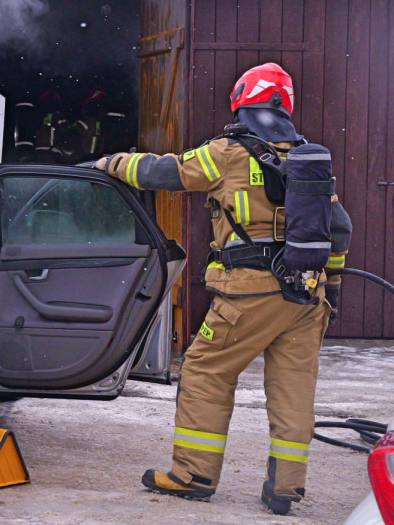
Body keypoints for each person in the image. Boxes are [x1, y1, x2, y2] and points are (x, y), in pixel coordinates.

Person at [95, 62, 352, 516]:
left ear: (242, 101)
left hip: (249, 293)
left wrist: (112, 163)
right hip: (306, 297)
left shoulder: (229, 152)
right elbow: (340, 228)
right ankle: (286, 488)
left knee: (205, 373)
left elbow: (165, 173)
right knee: (294, 389)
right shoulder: (308, 158)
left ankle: (192, 474)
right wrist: (328, 290)